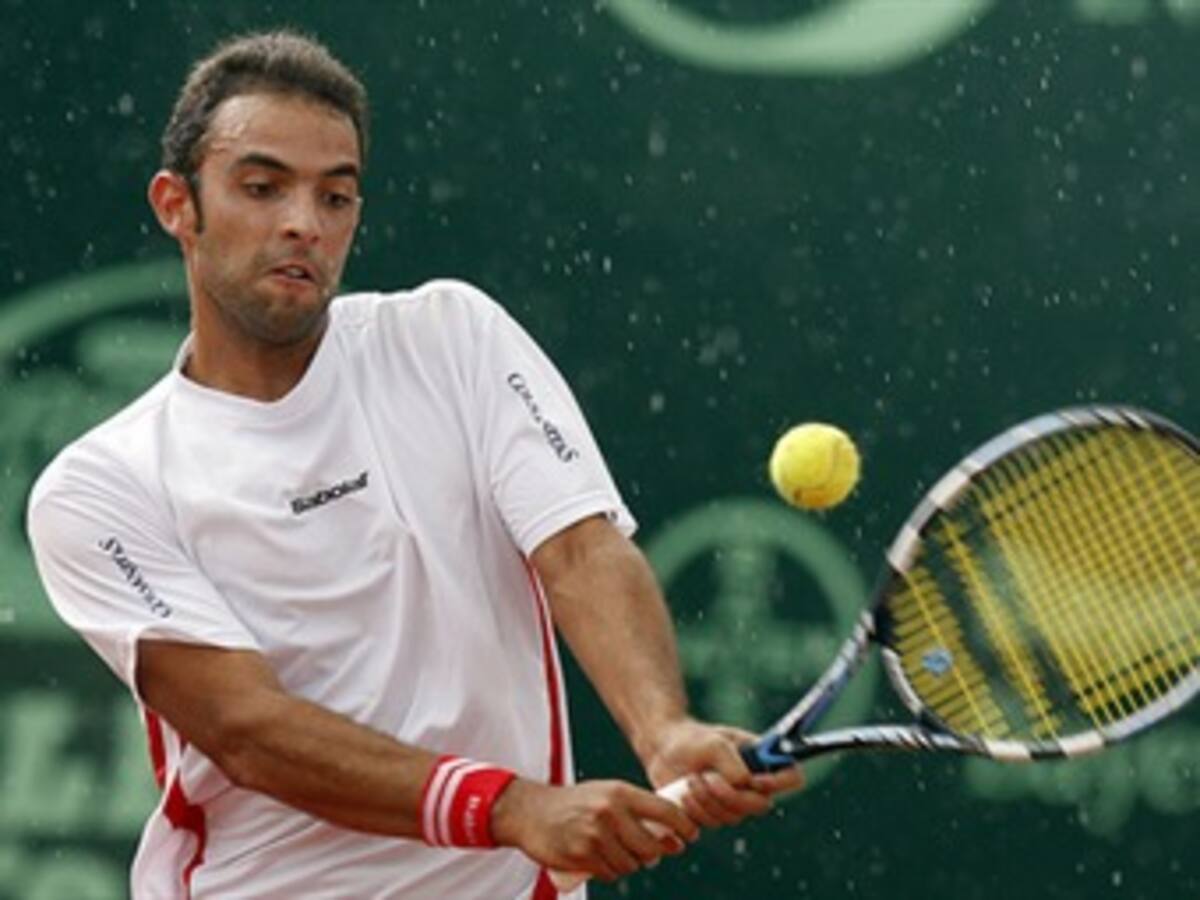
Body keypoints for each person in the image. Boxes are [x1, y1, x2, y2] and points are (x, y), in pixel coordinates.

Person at [26, 30, 800, 899]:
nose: (302, 223)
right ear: (177, 204)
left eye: (336, 196)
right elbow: (248, 728)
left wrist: (663, 729)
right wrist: (508, 809)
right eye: (261, 186)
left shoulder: (451, 337)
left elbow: (578, 547)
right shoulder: (100, 488)